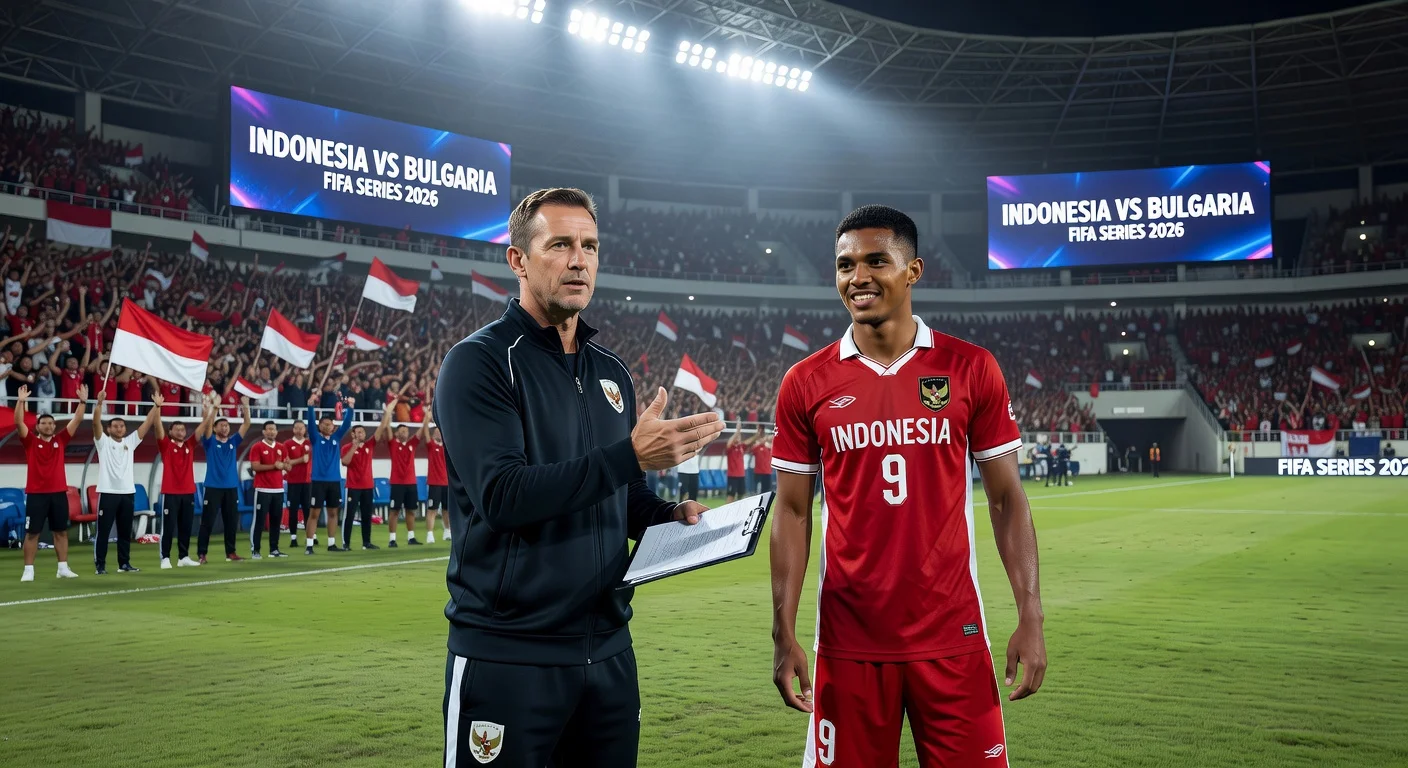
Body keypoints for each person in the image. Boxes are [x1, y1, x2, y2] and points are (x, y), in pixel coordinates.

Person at [436, 188, 722, 767]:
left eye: (589, 246)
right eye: (560, 244)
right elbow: (502, 497)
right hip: (509, 658)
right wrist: (630, 457)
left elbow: (625, 494)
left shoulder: (612, 370)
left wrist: (669, 516)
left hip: (609, 653)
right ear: (518, 260)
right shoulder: (480, 363)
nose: (578, 260)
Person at [770, 206, 1045, 768]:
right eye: (845, 265)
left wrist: (1031, 615)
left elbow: (1006, 500)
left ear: (914, 270)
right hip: (848, 644)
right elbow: (793, 513)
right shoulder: (806, 382)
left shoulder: (971, 367)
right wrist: (783, 631)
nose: (858, 277)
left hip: (953, 637)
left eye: (877, 260)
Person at [15, 383, 87, 582]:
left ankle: (62, 568)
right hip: (37, 495)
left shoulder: (61, 440)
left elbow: (78, 418)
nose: (48, 426)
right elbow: (18, 422)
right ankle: (28, 570)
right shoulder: (30, 441)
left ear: (54, 426)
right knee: (32, 533)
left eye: (51, 423)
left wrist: (82, 401)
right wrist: (21, 402)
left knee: (61, 531)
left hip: (58, 494)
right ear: (37, 427)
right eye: (44, 423)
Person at [92, 388, 161, 574]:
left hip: (127, 494)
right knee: (104, 532)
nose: (119, 428)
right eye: (115, 426)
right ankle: (100, 566)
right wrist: (99, 404)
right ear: (109, 429)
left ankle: (124, 564)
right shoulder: (103, 442)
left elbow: (146, 424)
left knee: (125, 532)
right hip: (108, 493)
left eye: (122, 426)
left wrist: (156, 406)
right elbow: (95, 423)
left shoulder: (129, 442)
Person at [154, 396, 209, 568]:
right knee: (169, 528)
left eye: (183, 429)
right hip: (170, 492)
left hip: (188, 492)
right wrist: (158, 407)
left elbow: (202, 428)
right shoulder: (165, 445)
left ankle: (183, 557)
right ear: (170, 432)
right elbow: (157, 427)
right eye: (177, 429)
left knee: (186, 526)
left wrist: (206, 411)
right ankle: (165, 558)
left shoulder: (189, 445)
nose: (180, 432)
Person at [197, 397, 252, 564]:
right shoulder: (210, 442)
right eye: (221, 425)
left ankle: (231, 552)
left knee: (231, 522)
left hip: (231, 488)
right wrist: (213, 408)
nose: (225, 427)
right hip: (213, 487)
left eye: (227, 425)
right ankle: (202, 554)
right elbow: (206, 428)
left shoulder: (234, 441)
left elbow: (246, 424)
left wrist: (246, 406)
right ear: (214, 428)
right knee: (207, 522)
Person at [341, 404, 391, 551]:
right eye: (359, 432)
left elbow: (380, 429)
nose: (362, 434)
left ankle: (366, 542)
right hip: (353, 486)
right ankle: (346, 543)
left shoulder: (369, 445)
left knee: (366, 515)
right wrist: (354, 447)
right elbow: (345, 462)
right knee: (349, 516)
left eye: (363, 432)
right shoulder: (347, 447)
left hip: (368, 486)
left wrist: (386, 414)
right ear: (353, 434)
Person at [308, 399, 354, 552]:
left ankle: (331, 544)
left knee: (333, 512)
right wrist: (310, 407)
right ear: (319, 426)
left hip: (334, 481)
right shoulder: (315, 438)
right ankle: (309, 545)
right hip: (318, 481)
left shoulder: (336, 438)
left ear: (333, 427)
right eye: (324, 424)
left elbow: (346, 424)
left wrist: (350, 408)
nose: (327, 426)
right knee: (314, 512)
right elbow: (310, 424)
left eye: (330, 424)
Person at [382, 405, 424, 547]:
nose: (405, 433)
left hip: (411, 483)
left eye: (406, 431)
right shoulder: (393, 443)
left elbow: (421, 431)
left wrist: (427, 417)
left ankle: (411, 537)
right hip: (397, 483)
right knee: (394, 511)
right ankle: (392, 539)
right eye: (402, 431)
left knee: (411, 510)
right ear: (397, 433)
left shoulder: (412, 443)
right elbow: (387, 428)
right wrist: (387, 414)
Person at [248, 420, 290, 559]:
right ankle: (256, 550)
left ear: (277, 432)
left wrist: (286, 465)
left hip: (278, 489)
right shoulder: (257, 447)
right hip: (262, 489)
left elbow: (287, 466)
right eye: (269, 429)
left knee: (276, 521)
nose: (271, 431)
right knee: (259, 521)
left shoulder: (281, 447)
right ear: (264, 432)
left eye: (273, 429)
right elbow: (255, 466)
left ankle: (274, 549)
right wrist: (274, 466)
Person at [283, 419, 314, 554]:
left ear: (305, 429)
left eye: (302, 428)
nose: (299, 430)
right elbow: (287, 464)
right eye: (297, 428)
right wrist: (301, 460)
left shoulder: (310, 443)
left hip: (308, 482)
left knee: (308, 510)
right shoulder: (287, 444)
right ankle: (293, 537)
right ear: (293, 429)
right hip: (293, 482)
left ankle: (311, 537)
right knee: (293, 510)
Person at [423, 414, 449, 544]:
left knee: (447, 509)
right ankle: (430, 534)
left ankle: (447, 532)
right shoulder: (431, 446)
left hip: (446, 482)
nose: (439, 434)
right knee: (432, 509)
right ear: (433, 435)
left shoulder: (447, 447)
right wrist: (427, 419)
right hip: (434, 482)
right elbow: (425, 432)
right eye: (437, 432)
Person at [725, 420, 747, 501]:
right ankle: (728, 512)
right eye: (737, 436)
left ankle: (739, 512)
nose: (738, 437)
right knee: (731, 496)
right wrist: (737, 431)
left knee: (741, 495)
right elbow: (729, 443)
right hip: (732, 476)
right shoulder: (730, 448)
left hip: (741, 475)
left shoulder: (742, 447)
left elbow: (750, 442)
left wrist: (758, 435)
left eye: (739, 436)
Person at [751, 426, 774, 495]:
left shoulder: (768, 447)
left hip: (767, 472)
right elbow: (752, 449)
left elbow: (772, 446)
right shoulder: (757, 447)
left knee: (766, 492)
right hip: (758, 472)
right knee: (758, 492)